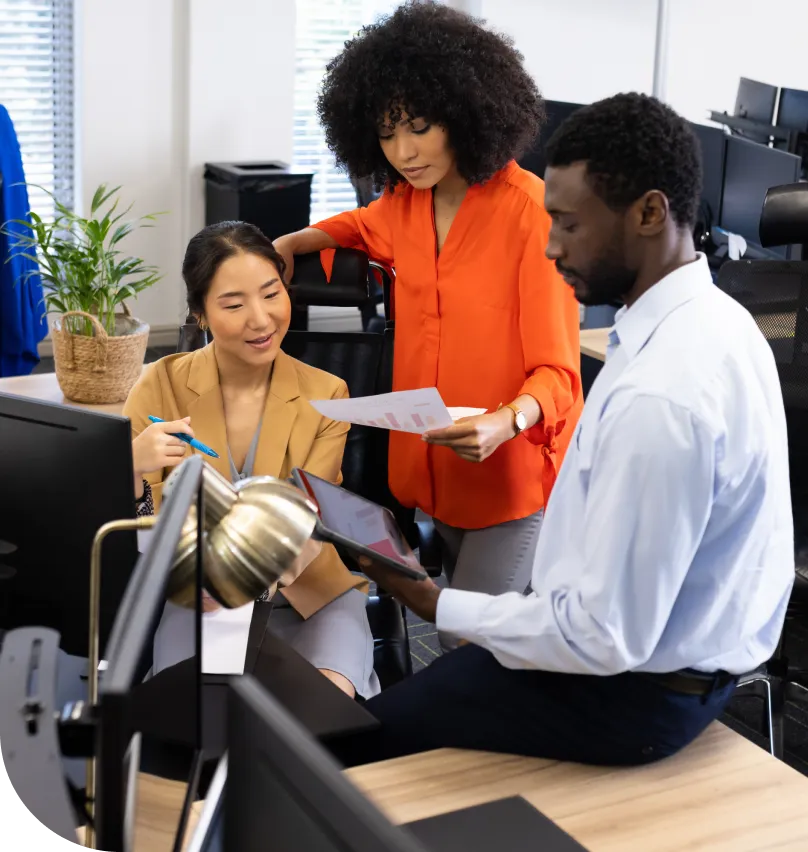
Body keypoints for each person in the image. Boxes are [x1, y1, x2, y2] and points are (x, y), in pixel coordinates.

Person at [327, 93, 795, 767]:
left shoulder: (663, 398)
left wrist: (435, 602)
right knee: (417, 703)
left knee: (348, 747)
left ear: (649, 213)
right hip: (665, 665)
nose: (550, 246)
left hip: (631, 697)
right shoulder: (717, 319)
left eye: (569, 225)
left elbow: (603, 636)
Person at [273, 2, 583, 645]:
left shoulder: (531, 215)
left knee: (464, 642)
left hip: (507, 477)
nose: (404, 151)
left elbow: (559, 371)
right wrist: (302, 238)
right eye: (387, 134)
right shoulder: (404, 203)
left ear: (468, 112)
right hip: (427, 475)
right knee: (448, 629)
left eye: (419, 127)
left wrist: (508, 419)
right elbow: (363, 226)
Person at [123, 221, 379, 699]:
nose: (261, 319)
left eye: (271, 293)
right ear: (200, 313)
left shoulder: (326, 393)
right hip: (197, 599)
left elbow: (306, 520)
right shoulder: (160, 385)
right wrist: (131, 466)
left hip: (309, 593)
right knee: (190, 713)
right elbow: (138, 527)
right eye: (234, 304)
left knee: (321, 712)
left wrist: (235, 580)